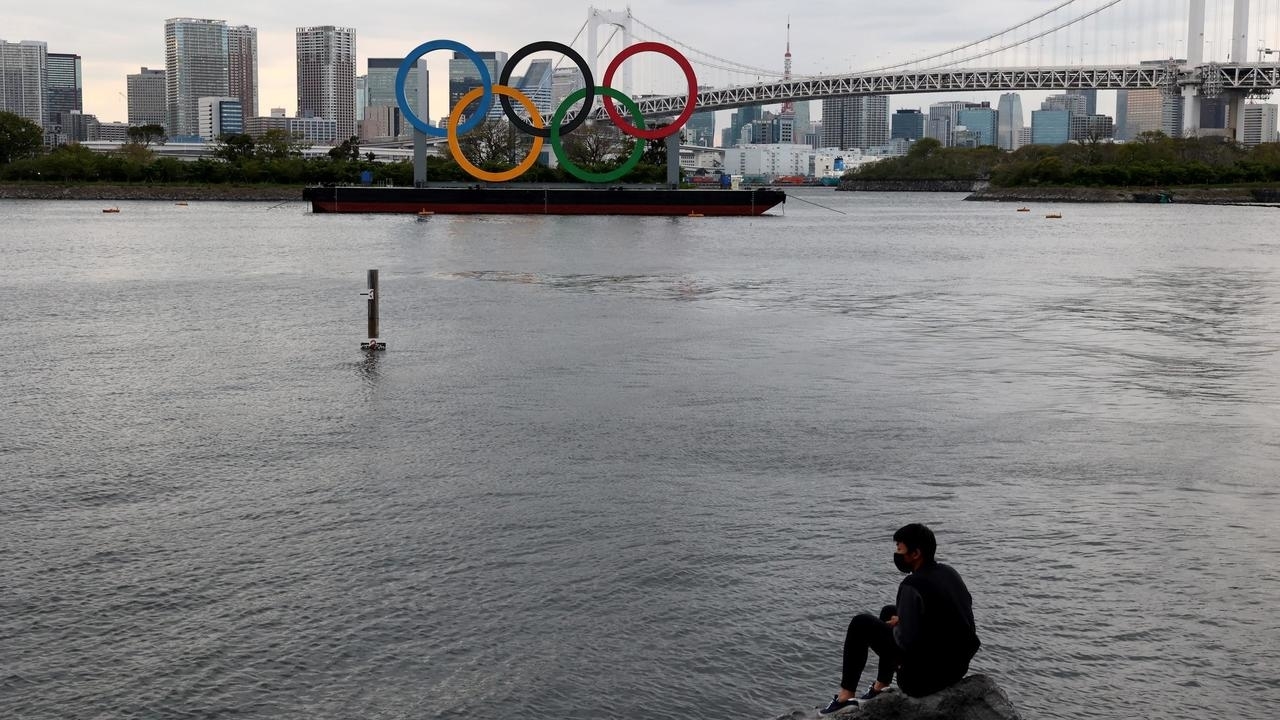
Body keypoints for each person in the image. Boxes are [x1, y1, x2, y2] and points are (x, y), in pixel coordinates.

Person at [819, 523, 980, 715]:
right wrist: (902, 620)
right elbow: (955, 618)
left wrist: (900, 626)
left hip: (922, 681)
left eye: (900, 550)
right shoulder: (948, 572)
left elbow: (905, 641)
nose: (897, 555)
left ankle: (845, 697)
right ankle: (881, 686)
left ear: (915, 553)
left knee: (861, 623)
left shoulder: (912, 585)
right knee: (889, 611)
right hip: (955, 669)